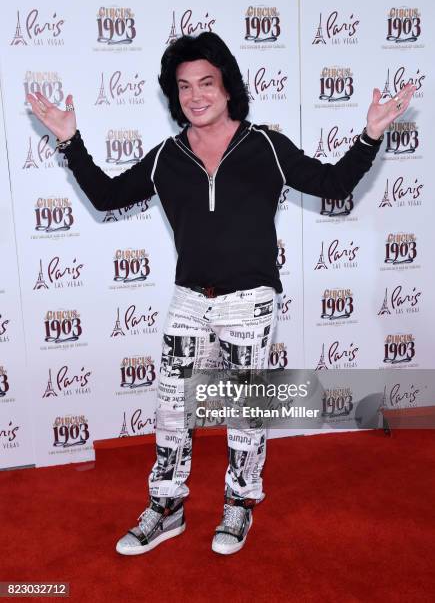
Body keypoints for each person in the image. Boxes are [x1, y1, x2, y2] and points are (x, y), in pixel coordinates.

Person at [27, 32, 415, 556]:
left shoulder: (266, 148)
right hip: (188, 299)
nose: (196, 95)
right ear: (175, 95)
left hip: (250, 300)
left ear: (228, 87)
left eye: (206, 83)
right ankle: (167, 508)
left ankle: (238, 504)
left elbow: (334, 184)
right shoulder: (166, 157)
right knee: (171, 409)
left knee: (243, 408)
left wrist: (369, 136)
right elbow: (107, 196)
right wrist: (70, 141)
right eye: (184, 86)